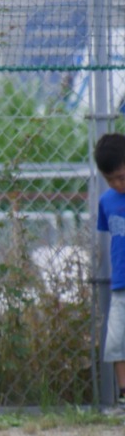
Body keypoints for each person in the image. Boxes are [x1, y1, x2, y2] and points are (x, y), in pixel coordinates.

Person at [94, 132, 125, 410]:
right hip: (120, 284)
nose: (117, 184)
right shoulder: (107, 201)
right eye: (110, 179)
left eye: (122, 177)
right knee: (117, 342)